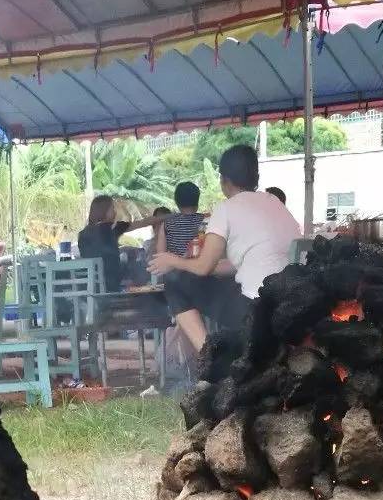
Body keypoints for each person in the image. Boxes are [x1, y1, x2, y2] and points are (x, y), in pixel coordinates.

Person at [150, 143, 300, 352]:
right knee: (200, 278)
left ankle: (208, 356)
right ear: (255, 176)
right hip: (292, 302)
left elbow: (203, 267)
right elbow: (241, 264)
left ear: (224, 180)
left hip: (255, 310)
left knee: (175, 283)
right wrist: (205, 266)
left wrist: (172, 261)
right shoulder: (274, 202)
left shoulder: (226, 208)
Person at [77, 195, 164, 294]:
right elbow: (143, 222)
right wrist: (169, 216)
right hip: (111, 282)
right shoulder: (111, 227)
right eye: (112, 208)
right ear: (104, 211)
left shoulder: (82, 234)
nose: (115, 212)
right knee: (142, 265)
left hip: (89, 284)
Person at [151, 181, 205, 263]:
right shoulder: (205, 221)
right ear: (197, 203)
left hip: (175, 271)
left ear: (177, 203)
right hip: (200, 269)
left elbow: (160, 255)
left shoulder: (167, 223)